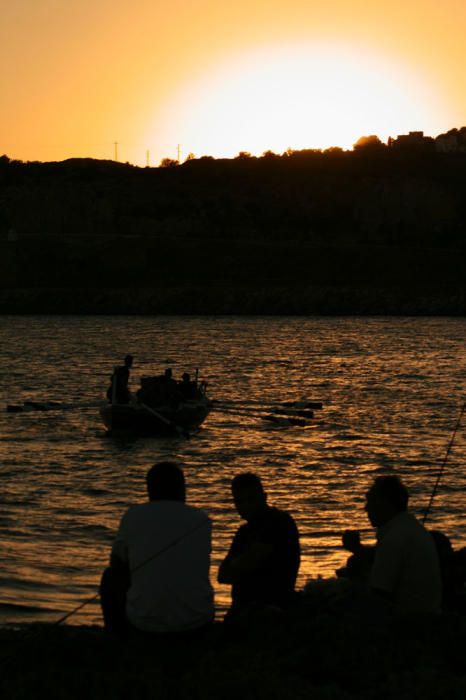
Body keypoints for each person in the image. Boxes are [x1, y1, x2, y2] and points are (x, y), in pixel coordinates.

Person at [100, 462, 214, 637]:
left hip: (145, 625)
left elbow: (117, 563)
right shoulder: (201, 519)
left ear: (149, 490)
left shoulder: (133, 515)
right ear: (182, 489)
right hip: (198, 621)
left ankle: (116, 638)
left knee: (110, 577)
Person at [218, 473, 300, 616]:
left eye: (250, 500)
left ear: (264, 497)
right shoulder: (243, 532)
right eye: (239, 502)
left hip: (271, 607)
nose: (245, 506)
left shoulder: (279, 522)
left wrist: (239, 564)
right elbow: (223, 575)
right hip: (243, 608)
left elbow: (251, 560)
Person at [365, 475, 442, 615]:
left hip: (407, 619)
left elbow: (379, 593)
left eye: (370, 501)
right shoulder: (412, 528)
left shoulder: (394, 537)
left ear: (385, 504)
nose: (366, 508)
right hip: (428, 613)